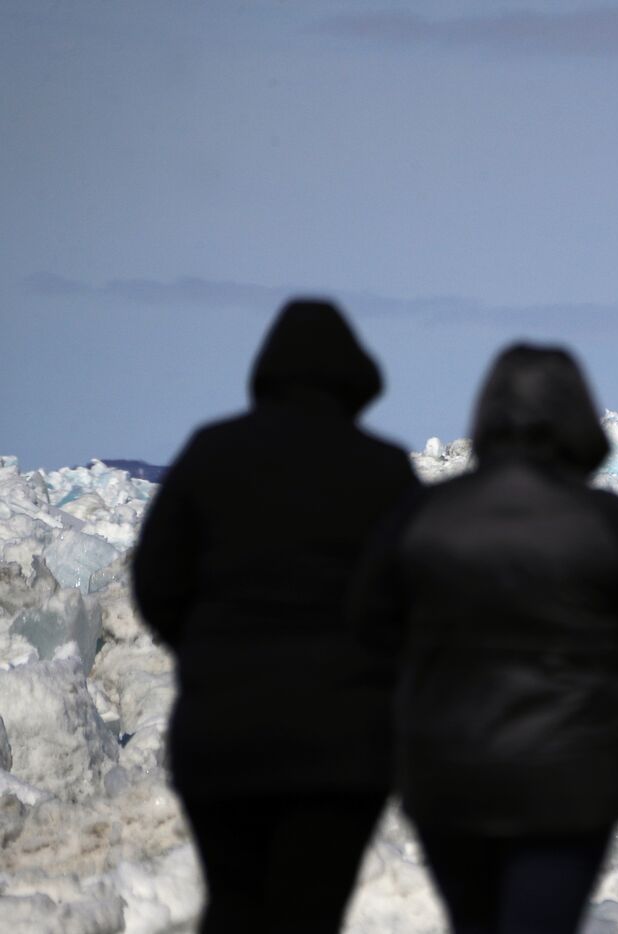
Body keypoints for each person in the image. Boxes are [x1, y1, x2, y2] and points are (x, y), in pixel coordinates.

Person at [350, 344, 618, 934]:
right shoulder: (602, 520)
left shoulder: (424, 514)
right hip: (568, 779)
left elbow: (365, 626)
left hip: (450, 780)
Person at [131, 298, 421, 933]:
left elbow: (154, 579)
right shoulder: (384, 469)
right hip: (344, 741)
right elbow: (421, 593)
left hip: (223, 732)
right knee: (309, 913)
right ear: (355, 378)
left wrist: (206, 650)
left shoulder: (210, 453)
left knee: (235, 903)